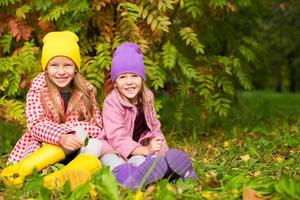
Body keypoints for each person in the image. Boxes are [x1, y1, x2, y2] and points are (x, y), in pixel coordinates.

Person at [0, 31, 112, 191]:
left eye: (67, 65)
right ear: (46, 68)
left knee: (96, 144)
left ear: (75, 68)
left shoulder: (86, 90)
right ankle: (16, 174)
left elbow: (97, 126)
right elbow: (36, 125)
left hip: (77, 148)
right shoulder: (39, 89)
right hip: (43, 149)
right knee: (79, 132)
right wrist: (62, 136)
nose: (61, 71)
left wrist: (74, 133)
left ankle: (57, 179)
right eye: (54, 65)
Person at [101, 42, 197, 189]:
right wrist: (145, 150)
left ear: (142, 78)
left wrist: (162, 151)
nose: (129, 82)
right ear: (115, 83)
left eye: (135, 76)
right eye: (122, 77)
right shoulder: (111, 102)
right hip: (112, 149)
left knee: (143, 162)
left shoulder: (147, 97)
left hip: (138, 149)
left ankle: (170, 172)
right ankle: (128, 180)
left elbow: (154, 127)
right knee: (114, 163)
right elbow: (116, 137)